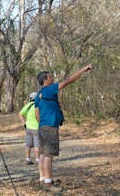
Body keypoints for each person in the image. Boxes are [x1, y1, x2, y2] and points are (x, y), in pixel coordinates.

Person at [34, 64, 92, 192]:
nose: (52, 78)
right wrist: (82, 69)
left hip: (43, 127)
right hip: (49, 127)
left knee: (43, 154)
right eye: (50, 77)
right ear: (45, 80)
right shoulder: (48, 89)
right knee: (49, 155)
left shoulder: (39, 94)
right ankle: (48, 184)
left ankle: (43, 179)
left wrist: (42, 124)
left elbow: (36, 112)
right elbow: (68, 81)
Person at [19, 92, 40, 165]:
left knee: (28, 144)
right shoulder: (38, 106)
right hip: (36, 127)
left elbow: (20, 114)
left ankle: (28, 159)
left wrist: (24, 123)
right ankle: (38, 159)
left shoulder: (27, 106)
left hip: (28, 127)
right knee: (37, 144)